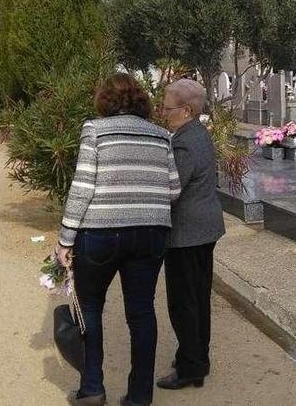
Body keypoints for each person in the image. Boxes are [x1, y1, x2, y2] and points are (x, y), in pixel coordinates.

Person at [55, 73, 181, 406]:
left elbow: (82, 188)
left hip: (100, 233)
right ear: (141, 100)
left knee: (91, 307)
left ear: (105, 100)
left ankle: (92, 389)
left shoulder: (95, 130)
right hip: (152, 234)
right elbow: (174, 188)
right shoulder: (162, 135)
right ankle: (140, 397)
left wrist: (65, 239)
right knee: (141, 313)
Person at [156, 79, 226, 391]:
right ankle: (195, 355)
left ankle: (191, 367)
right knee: (197, 297)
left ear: (187, 110)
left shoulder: (184, 142)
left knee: (184, 301)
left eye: (167, 107)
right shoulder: (197, 133)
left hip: (187, 232)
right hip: (204, 227)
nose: (162, 112)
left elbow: (173, 187)